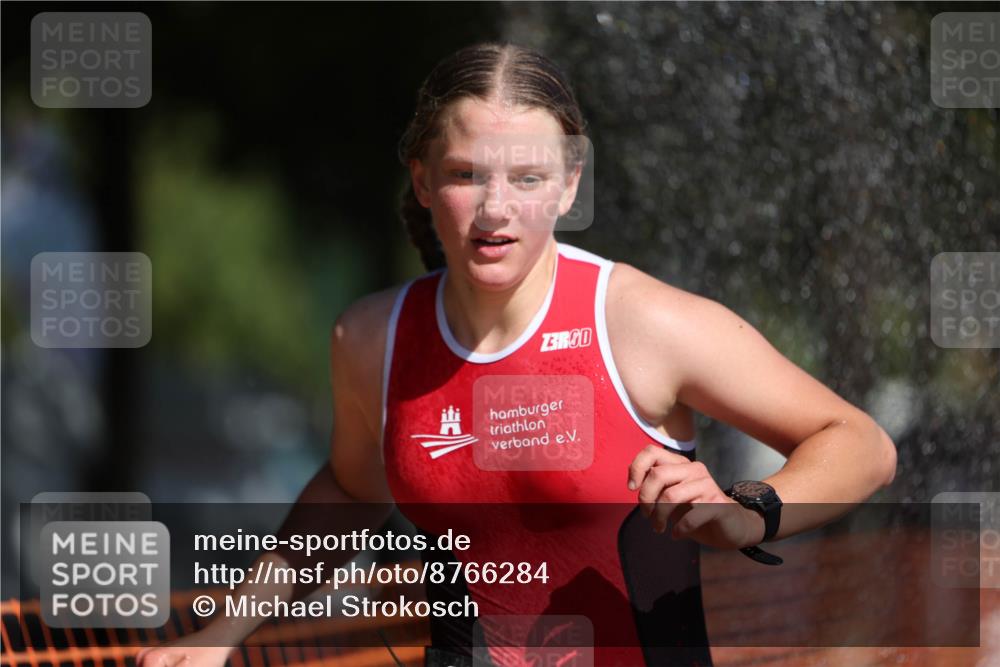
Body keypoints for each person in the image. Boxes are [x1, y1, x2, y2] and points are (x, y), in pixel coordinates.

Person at [137, 42, 897, 667]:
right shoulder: (371, 338)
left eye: (528, 178)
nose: (496, 210)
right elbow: (349, 490)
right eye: (467, 175)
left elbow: (860, 442)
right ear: (424, 180)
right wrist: (220, 635)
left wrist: (746, 513)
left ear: (569, 184)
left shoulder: (641, 323)